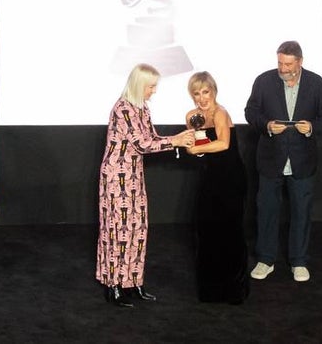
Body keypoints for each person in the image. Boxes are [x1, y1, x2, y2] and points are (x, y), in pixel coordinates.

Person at [96, 63, 195, 307]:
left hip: (134, 176)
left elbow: (151, 139)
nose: (154, 91)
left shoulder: (143, 109)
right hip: (116, 178)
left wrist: (179, 140)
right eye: (151, 86)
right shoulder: (123, 109)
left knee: (138, 228)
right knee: (116, 230)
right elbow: (142, 144)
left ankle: (134, 282)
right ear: (140, 85)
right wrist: (176, 140)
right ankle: (114, 286)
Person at [244, 40, 322, 283]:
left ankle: (299, 261)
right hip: (270, 159)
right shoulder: (264, 81)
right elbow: (250, 111)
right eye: (279, 63)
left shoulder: (317, 84)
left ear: (300, 62)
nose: (282, 68)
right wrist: (266, 125)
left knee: (301, 212)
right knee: (267, 211)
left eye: (287, 64)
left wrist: (312, 127)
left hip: (303, 160)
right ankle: (265, 260)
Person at [183, 71, 250, 304]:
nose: (201, 98)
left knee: (230, 231)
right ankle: (211, 290)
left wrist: (193, 149)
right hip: (210, 177)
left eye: (205, 92)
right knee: (207, 230)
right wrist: (194, 147)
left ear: (214, 91)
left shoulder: (221, 113)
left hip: (231, 178)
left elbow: (223, 143)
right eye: (196, 93)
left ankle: (233, 290)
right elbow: (200, 146)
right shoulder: (193, 116)